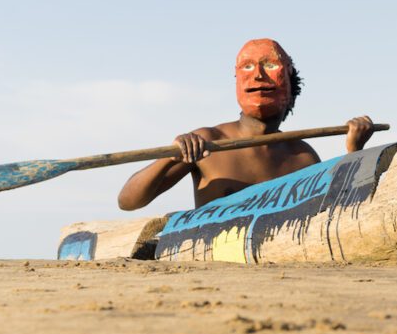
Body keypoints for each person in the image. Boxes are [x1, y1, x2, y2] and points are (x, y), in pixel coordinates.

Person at [118, 38, 374, 210]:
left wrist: (355, 152)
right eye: (248, 67)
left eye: (270, 66)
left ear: (290, 89)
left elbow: (336, 211)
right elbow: (128, 201)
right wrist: (172, 156)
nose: (258, 76)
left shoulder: (303, 156)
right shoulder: (208, 142)